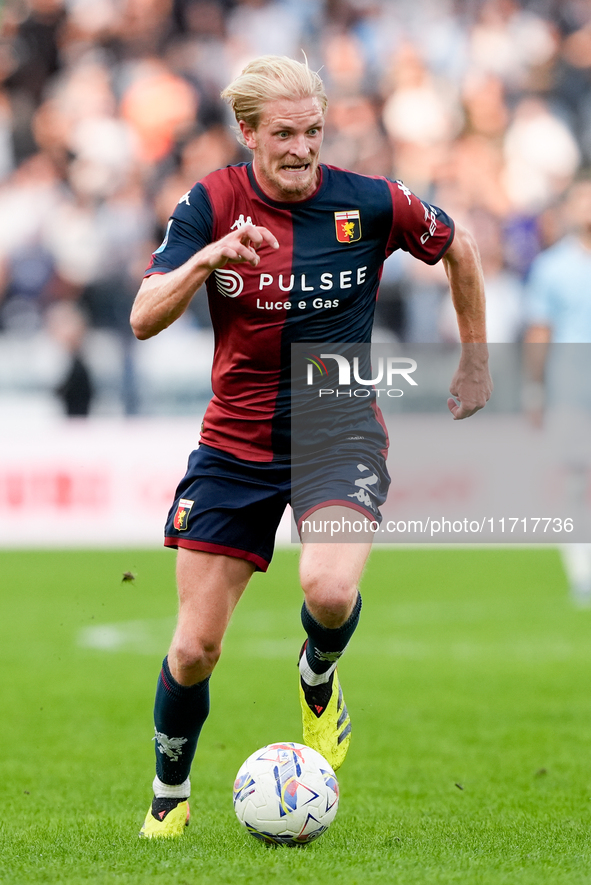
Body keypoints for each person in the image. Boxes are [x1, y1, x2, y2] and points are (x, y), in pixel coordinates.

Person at [130, 55, 492, 839]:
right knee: (194, 647)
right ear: (249, 133)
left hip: (339, 426)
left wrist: (473, 357)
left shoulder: (369, 202)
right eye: (285, 134)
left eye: (314, 132)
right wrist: (206, 259)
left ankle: (317, 675)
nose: (302, 148)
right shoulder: (210, 201)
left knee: (328, 592)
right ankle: (169, 793)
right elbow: (142, 315)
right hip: (234, 443)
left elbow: (458, 247)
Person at [524, 177, 591, 604]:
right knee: (575, 483)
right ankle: (582, 574)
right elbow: (539, 332)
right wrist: (535, 389)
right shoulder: (552, 266)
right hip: (572, 390)